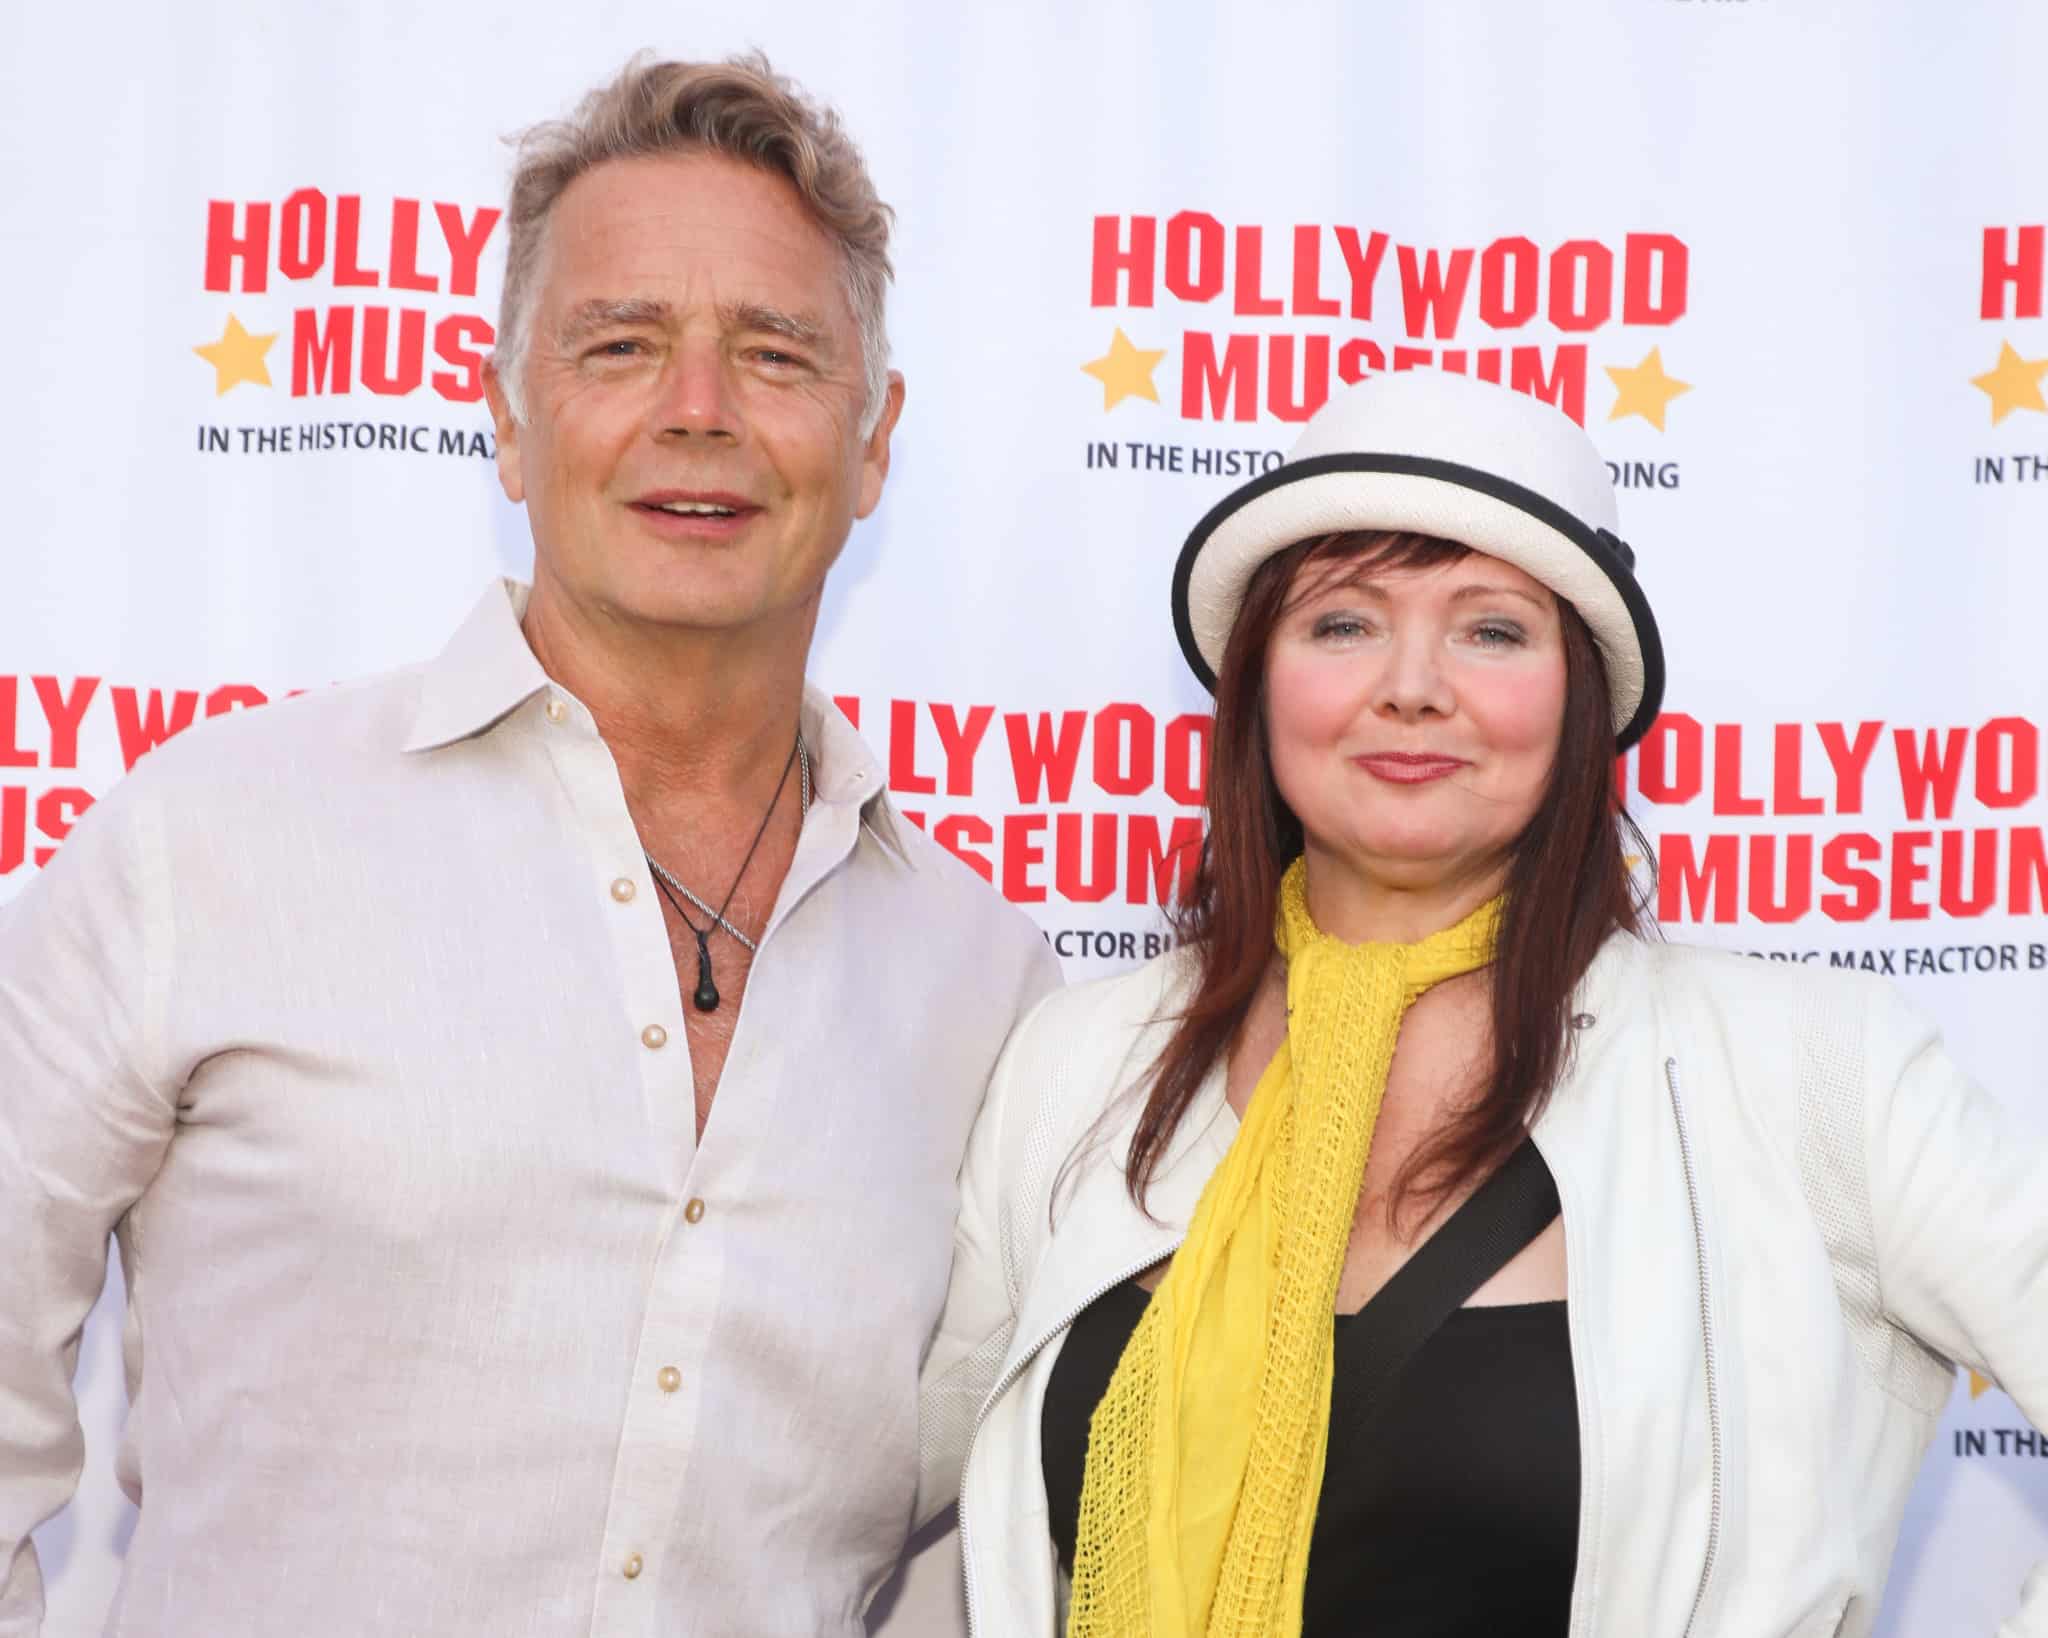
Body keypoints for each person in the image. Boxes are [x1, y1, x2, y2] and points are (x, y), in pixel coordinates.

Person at [0, 52, 1057, 1637]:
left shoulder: (992, 989)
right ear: (505, 416)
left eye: (775, 355)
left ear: (873, 440)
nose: (696, 412)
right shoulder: (204, 846)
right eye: (621, 346)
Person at [919, 369, 2048, 1635]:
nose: (1411, 686)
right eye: (1342, 623)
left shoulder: (1809, 1076)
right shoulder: (1081, 1065)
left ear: (1579, 697)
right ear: (1257, 685)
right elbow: (916, 1510)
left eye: (1490, 629)